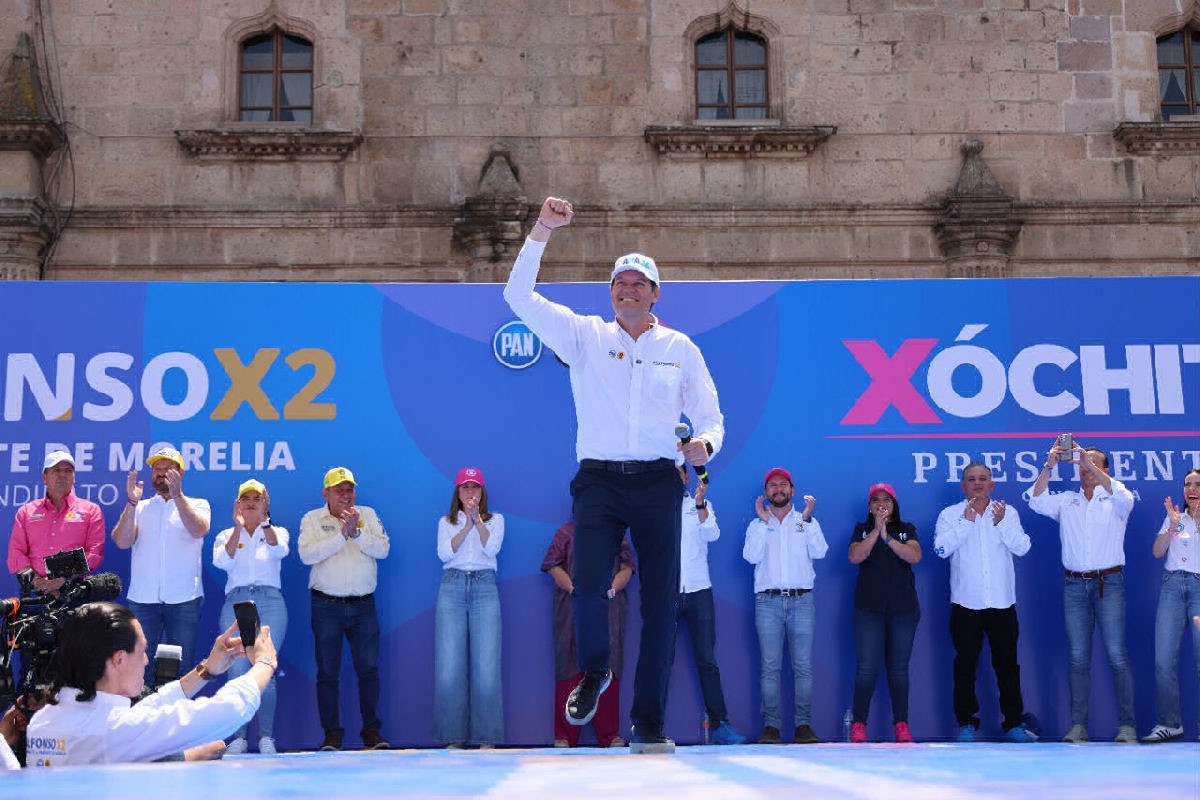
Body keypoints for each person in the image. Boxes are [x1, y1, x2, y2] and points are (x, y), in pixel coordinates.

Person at [503, 196, 724, 754]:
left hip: (657, 482)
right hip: (598, 481)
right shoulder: (585, 337)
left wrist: (706, 445)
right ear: (611, 294)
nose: (627, 290)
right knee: (589, 583)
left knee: (660, 606)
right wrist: (541, 233)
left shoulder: (681, 348)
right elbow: (516, 297)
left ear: (655, 294)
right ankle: (596, 671)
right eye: (619, 284)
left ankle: (648, 722)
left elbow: (711, 415)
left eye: (638, 283)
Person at [25, 601, 277, 765]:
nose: (146, 661)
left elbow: (144, 712)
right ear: (119, 659)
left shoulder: (42, 721)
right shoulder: (112, 731)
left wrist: (207, 669)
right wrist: (264, 662)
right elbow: (228, 709)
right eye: (142, 651)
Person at [1028, 438, 1136, 743]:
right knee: (1078, 658)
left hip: (1109, 583)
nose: (1085, 467)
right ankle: (1078, 726)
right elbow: (1036, 500)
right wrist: (1050, 464)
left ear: (1105, 469)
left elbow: (1124, 497)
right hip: (1074, 585)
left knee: (1117, 655)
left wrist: (1090, 464)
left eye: (1092, 463)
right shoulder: (1067, 501)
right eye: (1081, 463)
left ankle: (1127, 726)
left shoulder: (1116, 499)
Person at [933, 462, 1037, 743]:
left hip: (1002, 603)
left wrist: (1001, 524)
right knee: (965, 667)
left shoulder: (1008, 513)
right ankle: (966, 723)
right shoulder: (950, 515)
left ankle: (1014, 723)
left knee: (1007, 666)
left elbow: (1023, 547)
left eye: (983, 479)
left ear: (992, 485)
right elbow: (941, 550)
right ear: (963, 485)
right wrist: (966, 523)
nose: (977, 483)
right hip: (966, 604)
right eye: (971, 479)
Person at [297, 466, 390, 751]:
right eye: (339, 490)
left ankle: (372, 732)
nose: (346, 495)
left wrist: (357, 533)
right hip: (327, 605)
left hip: (363, 605)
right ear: (326, 493)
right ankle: (332, 735)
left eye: (349, 489)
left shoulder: (369, 515)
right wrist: (341, 536)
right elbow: (306, 555)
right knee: (327, 672)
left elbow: (383, 549)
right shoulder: (312, 519)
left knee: (369, 670)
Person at [111, 446, 211, 686]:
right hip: (143, 600)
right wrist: (132, 502)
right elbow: (122, 541)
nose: (162, 473)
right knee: (138, 667)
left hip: (184, 598)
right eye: (157, 469)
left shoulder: (198, 504)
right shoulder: (141, 507)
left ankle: (178, 722)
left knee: (183, 667)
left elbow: (199, 529)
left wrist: (177, 497)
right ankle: (143, 720)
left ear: (181, 474)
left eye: (168, 469)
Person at [742, 467, 827, 744]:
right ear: (766, 492)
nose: (778, 489)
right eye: (772, 485)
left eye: (783, 485)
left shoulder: (805, 521)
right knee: (770, 667)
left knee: (802, 666)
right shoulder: (757, 525)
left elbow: (820, 552)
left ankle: (803, 726)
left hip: (802, 600)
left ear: (792, 490)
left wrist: (808, 520)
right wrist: (765, 523)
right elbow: (751, 557)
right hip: (767, 602)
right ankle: (771, 727)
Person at [213, 478, 289, 755]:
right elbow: (222, 562)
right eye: (246, 498)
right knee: (236, 670)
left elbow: (280, 550)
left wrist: (265, 521)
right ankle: (239, 738)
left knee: (265, 668)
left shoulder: (276, 531)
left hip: (270, 602)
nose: (251, 503)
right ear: (238, 503)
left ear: (264, 504)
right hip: (237, 602)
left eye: (257, 499)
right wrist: (237, 528)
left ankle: (266, 737)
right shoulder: (226, 534)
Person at [542, 521, 634, 748]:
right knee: (569, 663)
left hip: (608, 607)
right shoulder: (565, 532)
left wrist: (612, 587)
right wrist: (574, 588)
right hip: (572, 606)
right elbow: (553, 565)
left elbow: (628, 567)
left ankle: (609, 734)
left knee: (607, 664)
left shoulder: (615, 534)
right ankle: (565, 734)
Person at [433, 467, 506, 749]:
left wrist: (478, 522)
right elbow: (444, 553)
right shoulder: (446, 521)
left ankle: (487, 737)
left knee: (486, 665)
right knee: (449, 665)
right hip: (451, 586)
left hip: (485, 586)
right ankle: (453, 737)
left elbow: (492, 549)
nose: (471, 492)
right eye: (466, 487)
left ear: (482, 492)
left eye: (475, 487)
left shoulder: (496, 520)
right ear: (458, 492)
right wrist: (466, 525)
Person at [674, 467, 746, 746]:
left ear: (686, 478)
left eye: (678, 473)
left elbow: (712, 534)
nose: (674, 477)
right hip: (665, 593)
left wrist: (701, 504)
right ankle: (649, 726)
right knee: (660, 663)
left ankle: (720, 726)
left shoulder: (700, 505)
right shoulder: (653, 507)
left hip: (699, 592)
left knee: (707, 661)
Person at [847, 482, 922, 743]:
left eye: (886, 500)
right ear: (869, 507)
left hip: (903, 609)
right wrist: (875, 531)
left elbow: (914, 556)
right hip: (869, 609)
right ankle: (858, 725)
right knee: (866, 669)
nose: (881, 504)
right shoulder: (862, 529)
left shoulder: (905, 528)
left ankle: (901, 724)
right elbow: (855, 556)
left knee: (899, 670)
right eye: (876, 501)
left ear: (894, 505)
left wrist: (887, 536)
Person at [1142, 468, 1200, 743]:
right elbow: (1157, 551)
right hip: (1173, 587)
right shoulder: (1175, 516)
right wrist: (1174, 526)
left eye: (1197, 484)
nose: (1192, 488)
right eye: (1188, 483)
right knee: (1163, 660)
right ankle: (1170, 723)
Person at [8, 450, 105, 593]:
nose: (63, 475)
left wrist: (61, 581)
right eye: (56, 470)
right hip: (35, 591)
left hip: (75, 591)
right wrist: (37, 582)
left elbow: (94, 553)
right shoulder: (26, 512)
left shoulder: (91, 511)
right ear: (44, 477)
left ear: (73, 478)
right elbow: (16, 553)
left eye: (68, 471)